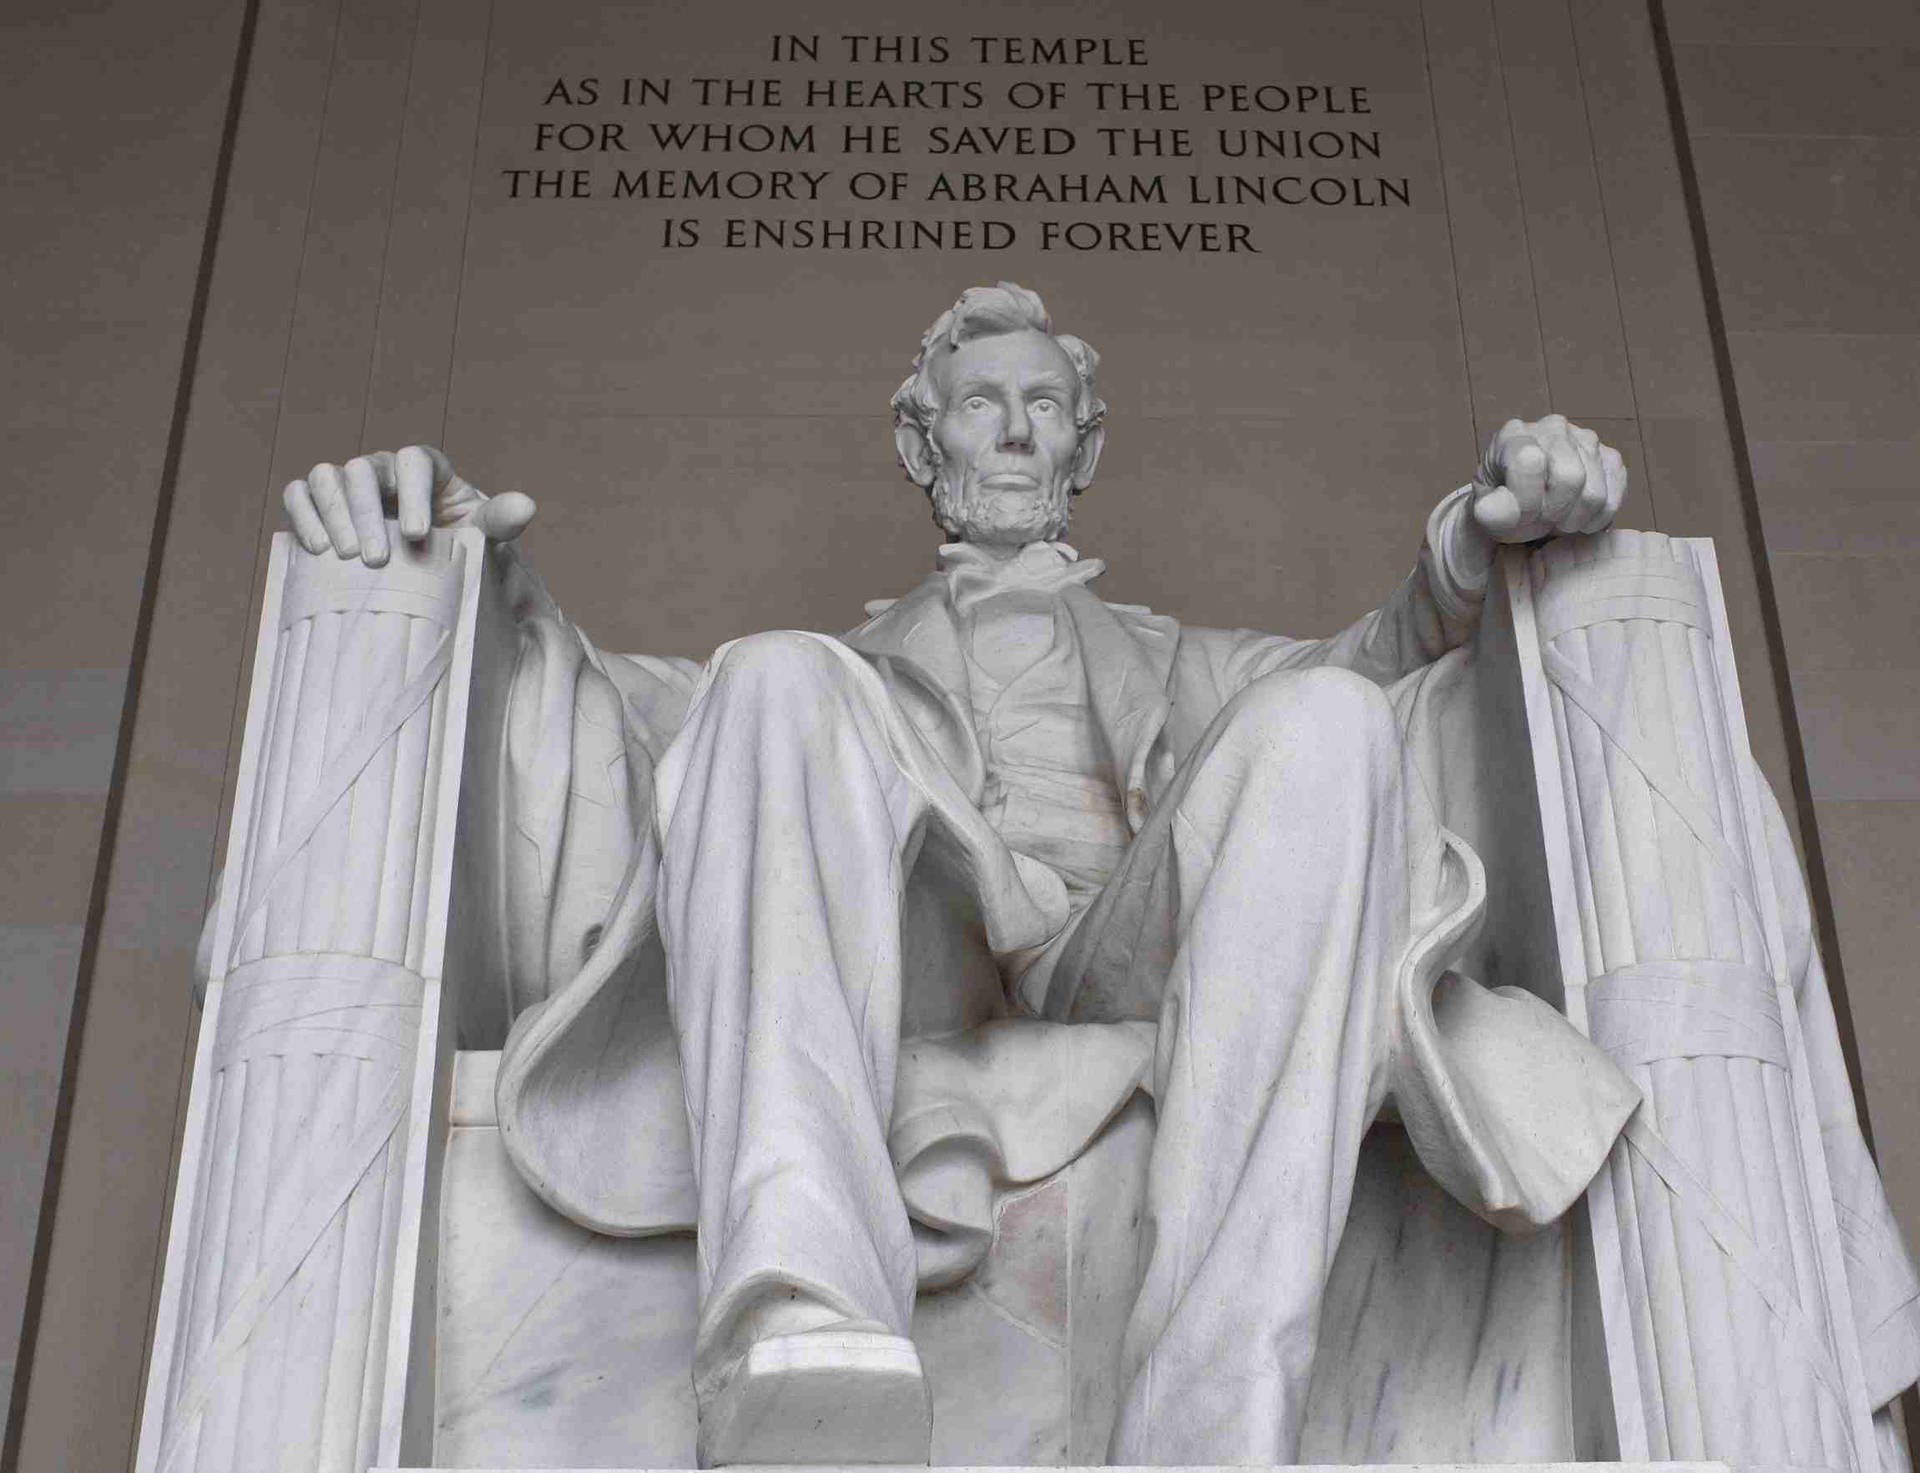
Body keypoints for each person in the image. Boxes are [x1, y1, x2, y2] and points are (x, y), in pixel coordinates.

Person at [281, 283, 1640, 1465]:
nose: (1011, 429)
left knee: (1332, 725)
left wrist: (1470, 547)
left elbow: (1390, 664)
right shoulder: (839, 680)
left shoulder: (1187, 660)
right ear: (920, 444)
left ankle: (1212, 1414)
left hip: (1128, 940)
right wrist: (471, 571)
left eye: (1042, 405)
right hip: (927, 933)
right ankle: (799, 1321)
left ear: (1085, 441)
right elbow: (608, 724)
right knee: (767, 674)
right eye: (979, 403)